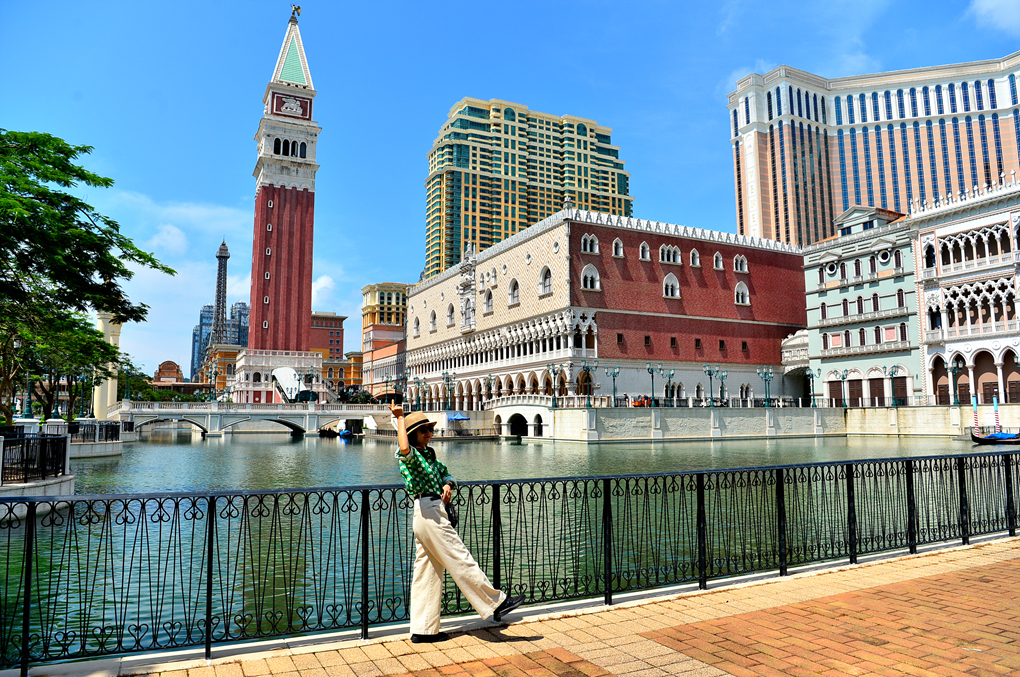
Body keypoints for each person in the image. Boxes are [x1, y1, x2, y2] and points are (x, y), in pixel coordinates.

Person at [390, 405, 524, 643]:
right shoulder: (410, 457)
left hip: (428, 512)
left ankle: (423, 630)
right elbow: (403, 448)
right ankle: (495, 602)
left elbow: (446, 473)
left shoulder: (429, 456)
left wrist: (447, 484)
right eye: (423, 430)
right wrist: (400, 418)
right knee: (459, 555)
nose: (429, 433)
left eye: (429, 429)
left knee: (427, 571)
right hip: (428, 512)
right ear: (411, 434)